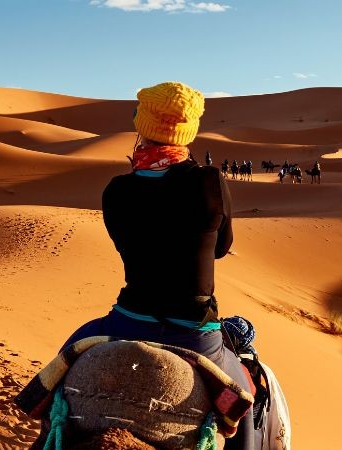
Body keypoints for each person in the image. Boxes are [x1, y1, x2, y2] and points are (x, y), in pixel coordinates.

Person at [56, 81, 254, 449]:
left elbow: (125, 245)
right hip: (194, 328)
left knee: (58, 374)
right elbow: (222, 248)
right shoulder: (209, 181)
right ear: (188, 131)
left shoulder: (116, 190)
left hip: (129, 318)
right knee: (246, 399)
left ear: (141, 126)